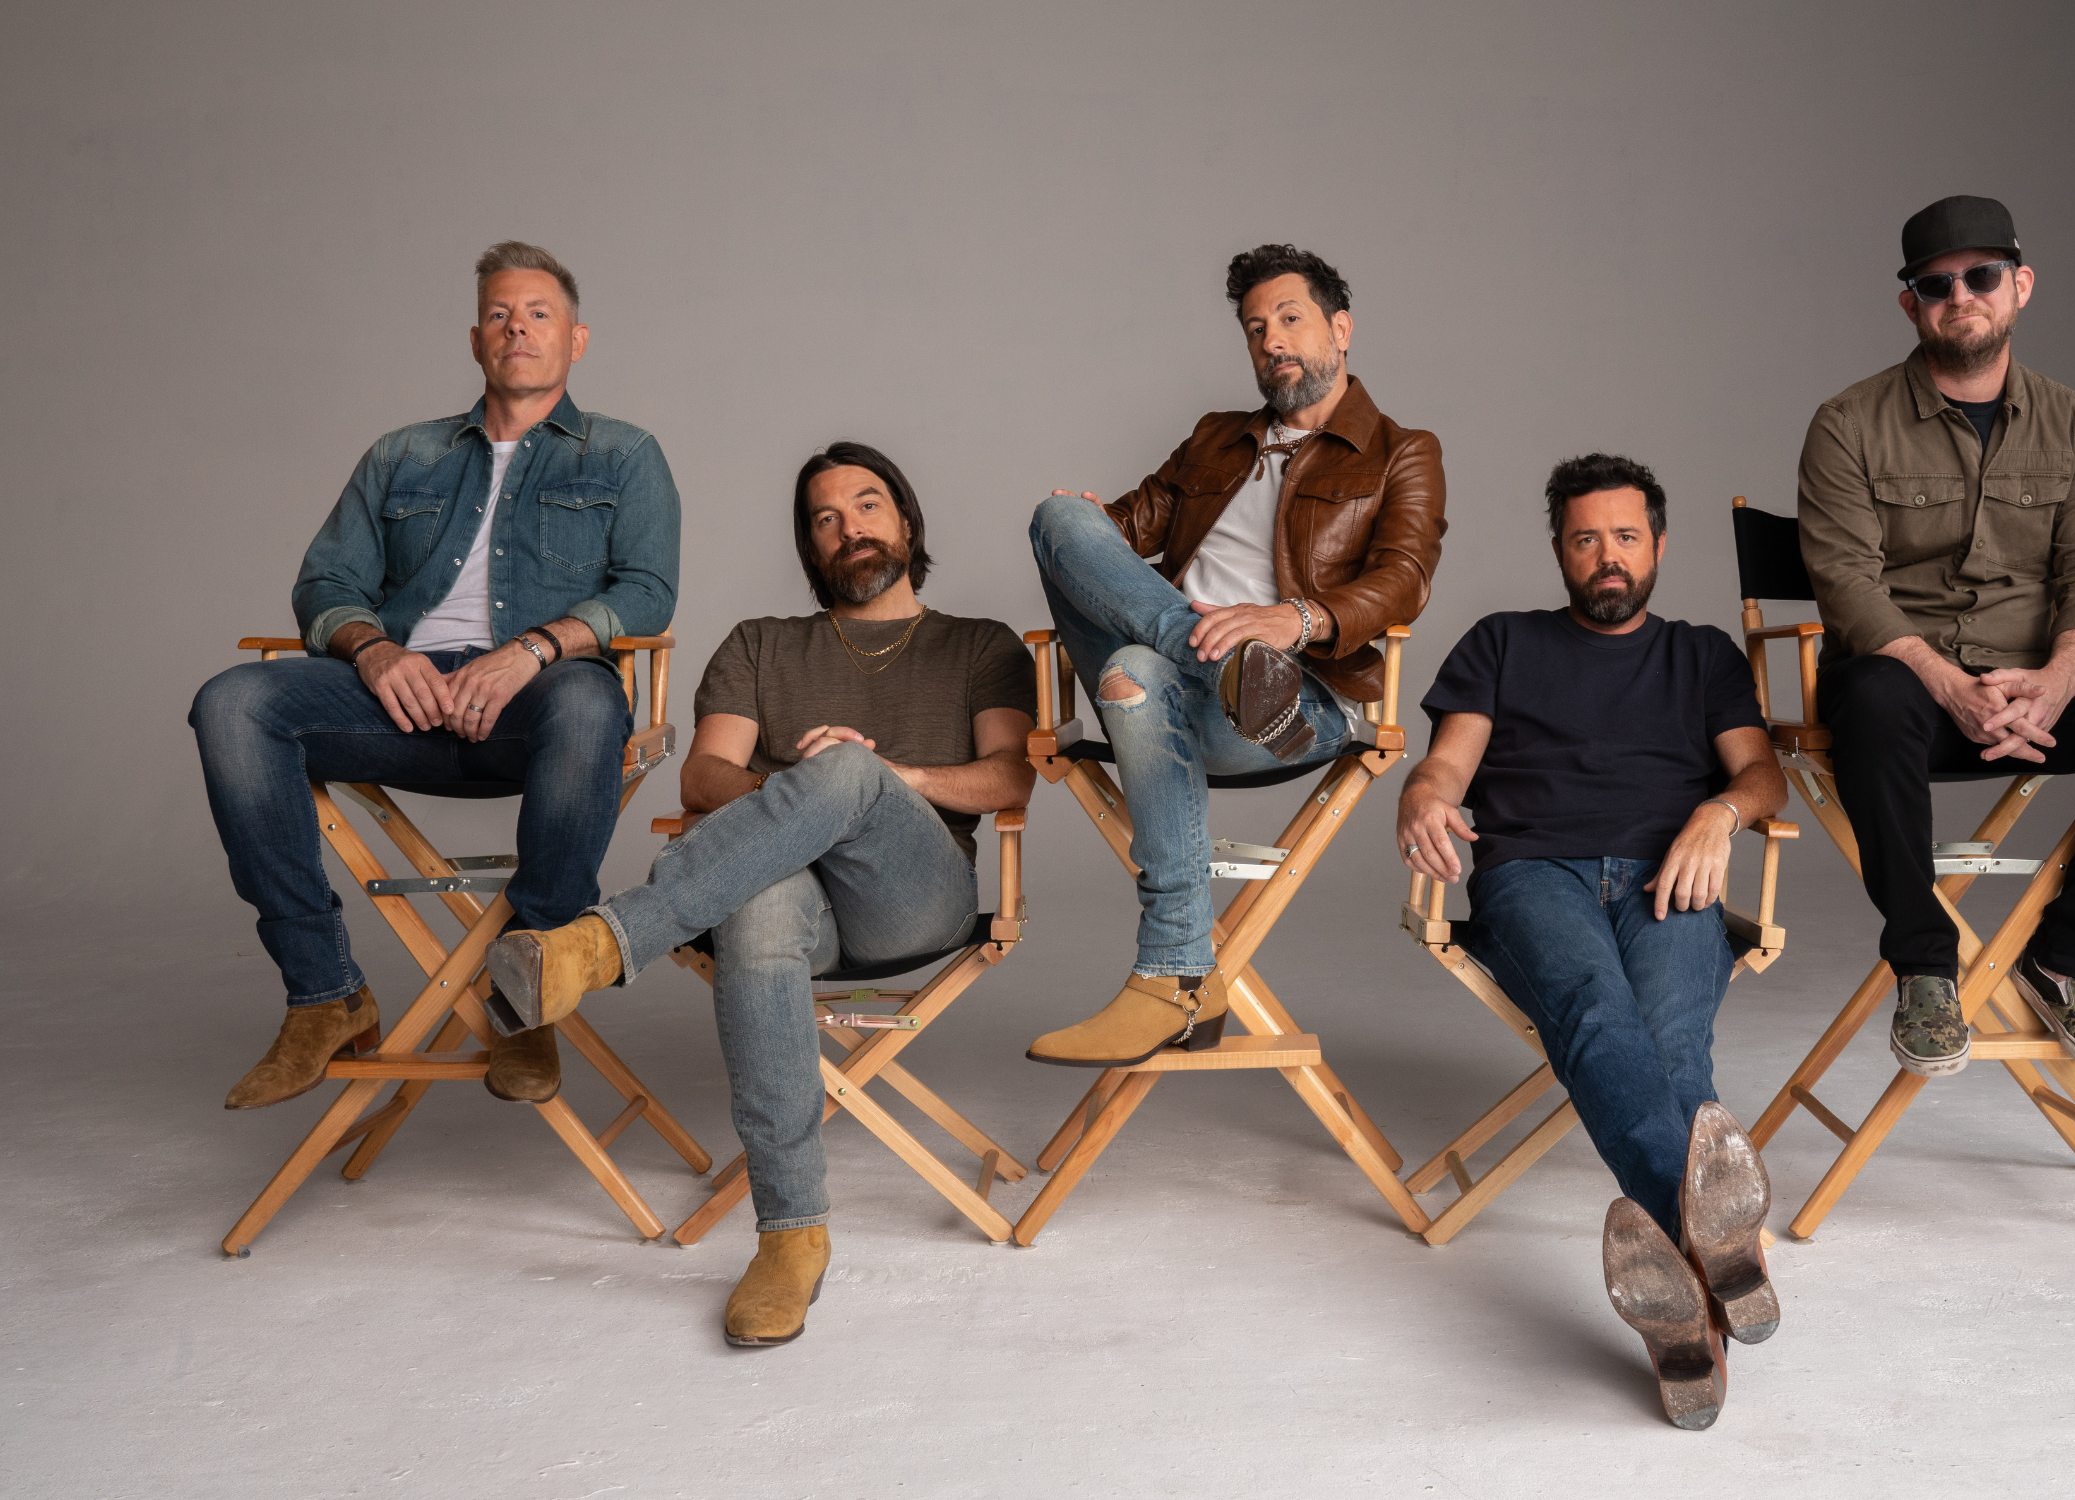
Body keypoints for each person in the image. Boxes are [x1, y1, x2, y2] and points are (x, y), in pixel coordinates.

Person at [480, 441, 1036, 1348]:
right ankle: (790, 1235)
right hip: (793, 904)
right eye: (826, 519)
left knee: (848, 771)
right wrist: (807, 795)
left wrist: (874, 779)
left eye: (867, 506)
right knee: (759, 904)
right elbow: (703, 776)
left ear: (905, 520)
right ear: (809, 545)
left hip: (915, 897)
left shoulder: (980, 643)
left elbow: (1010, 778)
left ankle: (606, 942)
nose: (849, 528)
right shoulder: (761, 643)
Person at [189, 241, 679, 1110]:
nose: (517, 328)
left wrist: (532, 650)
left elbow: (646, 591)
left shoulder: (625, 454)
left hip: (540, 705)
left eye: (539, 314)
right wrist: (374, 651)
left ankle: (528, 990)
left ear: (576, 340)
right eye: (499, 314)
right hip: (399, 702)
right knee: (230, 704)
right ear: (475, 339)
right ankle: (324, 994)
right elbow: (325, 585)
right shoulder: (402, 455)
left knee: (590, 702)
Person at [1397, 452, 1783, 1430]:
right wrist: (1422, 798)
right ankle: (1720, 1248)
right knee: (1599, 1018)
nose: (1606, 557)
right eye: (1584, 540)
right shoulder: (1503, 642)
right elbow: (1445, 769)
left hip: (1671, 872)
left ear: (1658, 544)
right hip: (1535, 874)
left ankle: (1686, 1325)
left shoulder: (1701, 656)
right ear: (1559, 550)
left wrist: (1718, 815)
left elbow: (1762, 776)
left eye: (1624, 537)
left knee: (1673, 1046)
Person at [1797, 195, 2075, 1081]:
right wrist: (1949, 685)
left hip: (2036, 700)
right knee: (1869, 691)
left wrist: (2057, 682)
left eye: (1981, 276)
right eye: (1936, 284)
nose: (1961, 296)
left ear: (2020, 286)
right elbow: (1846, 583)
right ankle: (1925, 969)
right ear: (1910, 304)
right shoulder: (1847, 423)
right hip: (1908, 699)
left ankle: (2067, 960)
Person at [1022, 243, 1446, 1066]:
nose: (1272, 340)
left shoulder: (1403, 450)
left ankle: (1173, 973)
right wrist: (1091, 529)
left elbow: (1404, 579)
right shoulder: (1216, 438)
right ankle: (1214, 660)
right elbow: (1122, 529)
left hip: (1299, 701)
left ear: (1341, 329)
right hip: (1198, 672)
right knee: (1059, 520)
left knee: (1133, 675)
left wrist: (1295, 619)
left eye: (1289, 319)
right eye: (1256, 329)